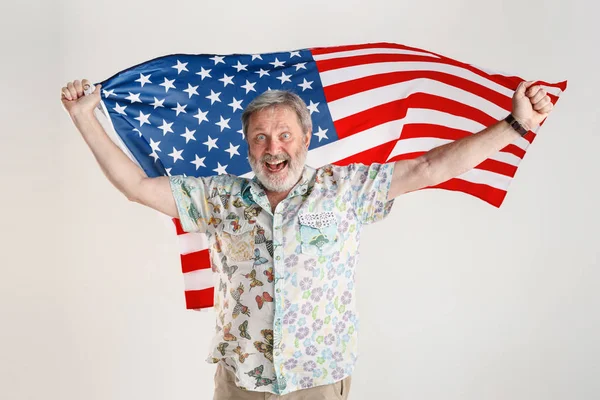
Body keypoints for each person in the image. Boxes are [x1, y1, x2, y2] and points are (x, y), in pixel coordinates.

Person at [61, 78, 553, 399]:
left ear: (305, 138)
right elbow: (136, 187)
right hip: (241, 382)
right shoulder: (220, 197)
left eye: (284, 136)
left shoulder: (346, 190)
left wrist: (515, 126)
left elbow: (429, 167)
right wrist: (84, 115)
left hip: (317, 383)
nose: (273, 149)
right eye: (260, 137)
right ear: (247, 144)